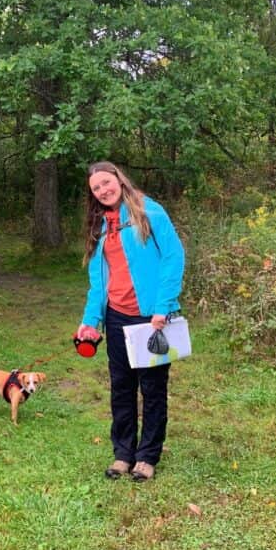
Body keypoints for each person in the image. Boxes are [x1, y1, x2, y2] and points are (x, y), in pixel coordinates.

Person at [77, 161, 185, 482]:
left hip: (152, 319)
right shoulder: (101, 223)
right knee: (121, 389)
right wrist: (90, 319)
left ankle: (147, 456)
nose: (103, 190)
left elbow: (173, 256)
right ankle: (123, 453)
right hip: (116, 317)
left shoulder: (149, 211)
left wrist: (163, 306)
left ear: (119, 180)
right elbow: (99, 279)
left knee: (152, 390)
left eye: (106, 183)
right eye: (96, 188)